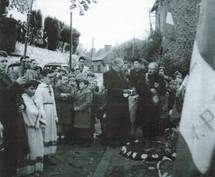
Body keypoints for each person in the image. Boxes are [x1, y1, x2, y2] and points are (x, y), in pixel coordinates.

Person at [103, 57, 131, 146]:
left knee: (123, 121)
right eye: (121, 65)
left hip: (123, 102)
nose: (123, 67)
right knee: (112, 121)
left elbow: (126, 84)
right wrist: (122, 91)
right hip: (113, 103)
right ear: (116, 65)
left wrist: (130, 89)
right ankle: (111, 140)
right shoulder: (108, 74)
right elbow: (109, 88)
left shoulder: (122, 73)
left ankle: (121, 139)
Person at [19, 80, 44, 177]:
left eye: (35, 89)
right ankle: (28, 170)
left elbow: (37, 110)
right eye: (31, 89)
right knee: (32, 148)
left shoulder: (31, 98)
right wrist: (36, 117)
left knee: (37, 147)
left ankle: (35, 168)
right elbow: (30, 112)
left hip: (35, 127)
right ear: (25, 89)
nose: (34, 91)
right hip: (29, 128)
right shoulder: (23, 99)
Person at [34, 70, 58, 166]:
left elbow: (53, 102)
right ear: (43, 77)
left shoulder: (50, 87)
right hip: (45, 112)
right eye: (49, 77)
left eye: (53, 77)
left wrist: (55, 115)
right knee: (45, 134)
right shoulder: (40, 88)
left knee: (51, 133)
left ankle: (48, 155)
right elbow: (39, 104)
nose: (51, 79)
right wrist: (42, 118)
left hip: (51, 111)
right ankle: (42, 156)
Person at [54, 75, 76, 143]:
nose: (65, 80)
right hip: (60, 107)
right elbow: (56, 96)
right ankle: (59, 136)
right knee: (60, 122)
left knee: (67, 122)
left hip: (67, 107)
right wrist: (66, 95)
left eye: (66, 79)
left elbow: (72, 95)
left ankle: (65, 136)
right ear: (61, 80)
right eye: (64, 79)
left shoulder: (70, 87)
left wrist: (64, 95)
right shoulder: (57, 87)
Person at [73, 78, 93, 146]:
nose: (80, 85)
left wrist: (80, 108)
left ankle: (87, 140)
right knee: (80, 127)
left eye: (82, 84)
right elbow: (75, 100)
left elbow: (88, 102)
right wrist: (75, 106)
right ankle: (81, 139)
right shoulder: (78, 91)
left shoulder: (88, 92)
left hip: (85, 111)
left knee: (85, 127)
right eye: (80, 84)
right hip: (78, 111)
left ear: (86, 85)